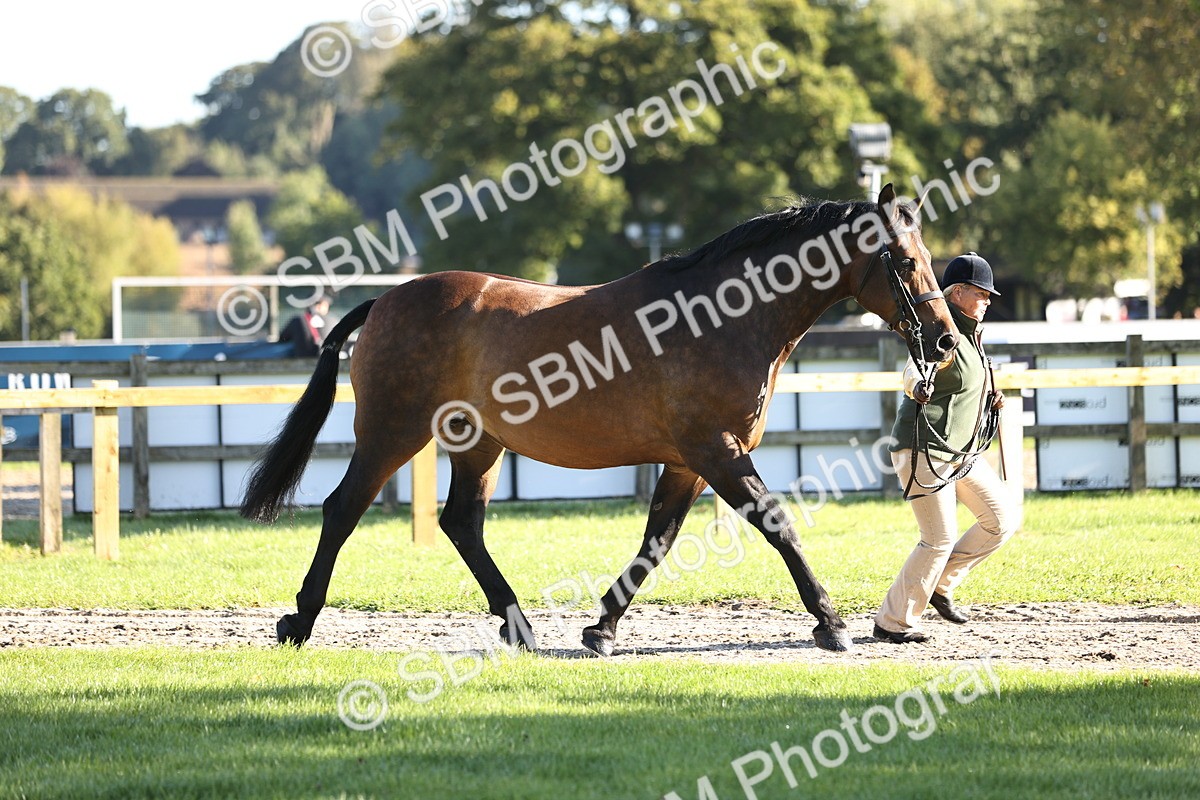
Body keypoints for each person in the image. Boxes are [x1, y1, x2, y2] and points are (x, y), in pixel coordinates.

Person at [873, 252, 1020, 644]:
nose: (988, 300)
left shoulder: (972, 334)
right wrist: (916, 387)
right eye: (981, 293)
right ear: (957, 293)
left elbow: (966, 382)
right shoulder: (940, 330)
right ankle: (892, 623)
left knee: (1001, 519)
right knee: (937, 538)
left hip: (961, 454)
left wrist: (991, 395)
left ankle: (938, 585)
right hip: (925, 448)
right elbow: (914, 368)